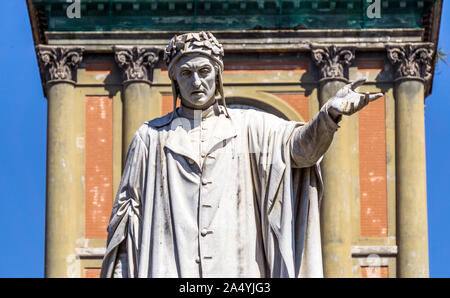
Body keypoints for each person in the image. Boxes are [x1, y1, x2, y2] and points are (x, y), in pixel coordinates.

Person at [100, 31, 382, 278]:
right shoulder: (150, 138)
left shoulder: (251, 126)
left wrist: (328, 116)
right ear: (174, 80)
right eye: (186, 73)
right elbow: (127, 223)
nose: (196, 81)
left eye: (204, 71)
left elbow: (299, 150)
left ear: (218, 74)